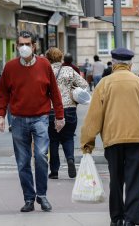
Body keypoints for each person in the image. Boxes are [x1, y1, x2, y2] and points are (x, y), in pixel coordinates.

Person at [80, 47, 139, 226]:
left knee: (115, 179)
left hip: (113, 139)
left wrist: (87, 142)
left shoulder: (105, 84)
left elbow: (94, 116)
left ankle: (116, 218)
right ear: (131, 64)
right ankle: (131, 219)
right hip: (137, 138)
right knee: (134, 179)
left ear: (114, 63)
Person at [0, 30, 65, 213]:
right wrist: (1, 115)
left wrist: (59, 116)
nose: (24, 47)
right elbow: (2, 93)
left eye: (27, 44)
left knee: (41, 156)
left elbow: (54, 92)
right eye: (21, 44)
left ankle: (42, 196)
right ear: (17, 46)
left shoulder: (44, 65)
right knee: (23, 161)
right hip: (18, 119)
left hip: (41, 118)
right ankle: (28, 198)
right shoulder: (10, 67)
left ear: (34, 46)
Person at [45, 47, 88, 179]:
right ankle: (70, 159)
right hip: (69, 108)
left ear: (48, 58)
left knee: (53, 140)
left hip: (52, 109)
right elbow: (84, 84)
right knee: (68, 137)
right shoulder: (69, 70)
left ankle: (54, 171)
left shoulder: (46, 70)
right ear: (60, 57)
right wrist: (72, 90)